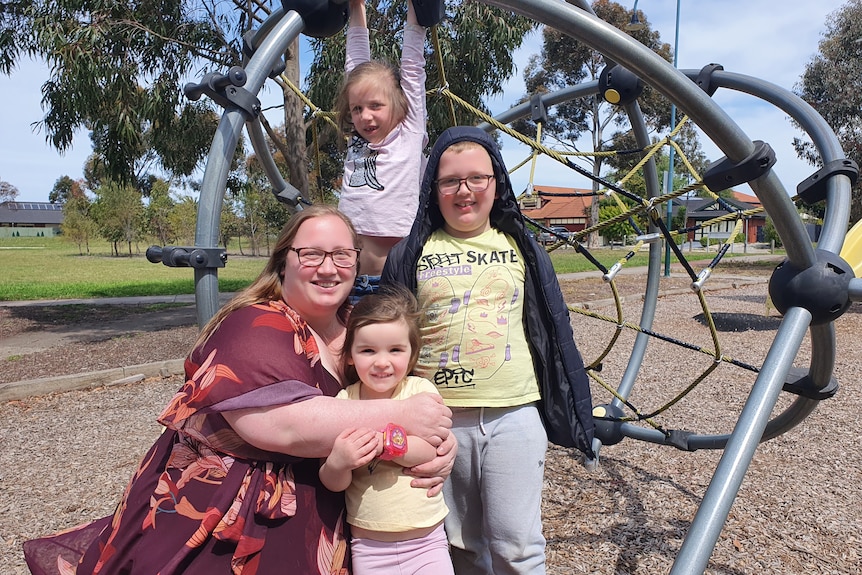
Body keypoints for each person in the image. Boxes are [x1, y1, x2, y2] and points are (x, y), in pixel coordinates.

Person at [24, 205, 455, 575]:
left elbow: (403, 392)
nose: (328, 268)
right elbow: (280, 425)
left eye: (342, 255)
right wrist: (407, 422)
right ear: (283, 260)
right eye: (312, 254)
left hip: (342, 513)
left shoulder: (360, 327)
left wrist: (439, 445)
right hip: (229, 518)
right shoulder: (254, 324)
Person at [381, 126, 596, 575]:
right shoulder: (411, 252)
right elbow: (388, 333)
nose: (464, 191)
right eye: (450, 181)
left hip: (513, 413)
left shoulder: (523, 248)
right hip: (441, 419)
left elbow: (554, 330)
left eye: (477, 178)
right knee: (461, 543)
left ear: (496, 182)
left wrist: (573, 406)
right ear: (433, 189)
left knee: (517, 545)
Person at [319, 286, 454, 575]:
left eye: (395, 350)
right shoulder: (345, 402)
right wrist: (338, 462)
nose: (382, 362)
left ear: (411, 354)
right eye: (368, 350)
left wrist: (385, 442)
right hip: (369, 545)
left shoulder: (420, 392)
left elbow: (429, 450)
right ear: (351, 356)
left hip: (427, 542)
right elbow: (335, 482)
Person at [335, 0, 429, 291]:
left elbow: (413, 67)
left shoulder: (409, 132)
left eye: (375, 105)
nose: (365, 116)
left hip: (397, 282)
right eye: (357, 109)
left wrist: (417, 7)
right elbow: (356, 66)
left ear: (399, 105)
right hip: (348, 282)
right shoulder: (358, 141)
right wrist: (357, 6)